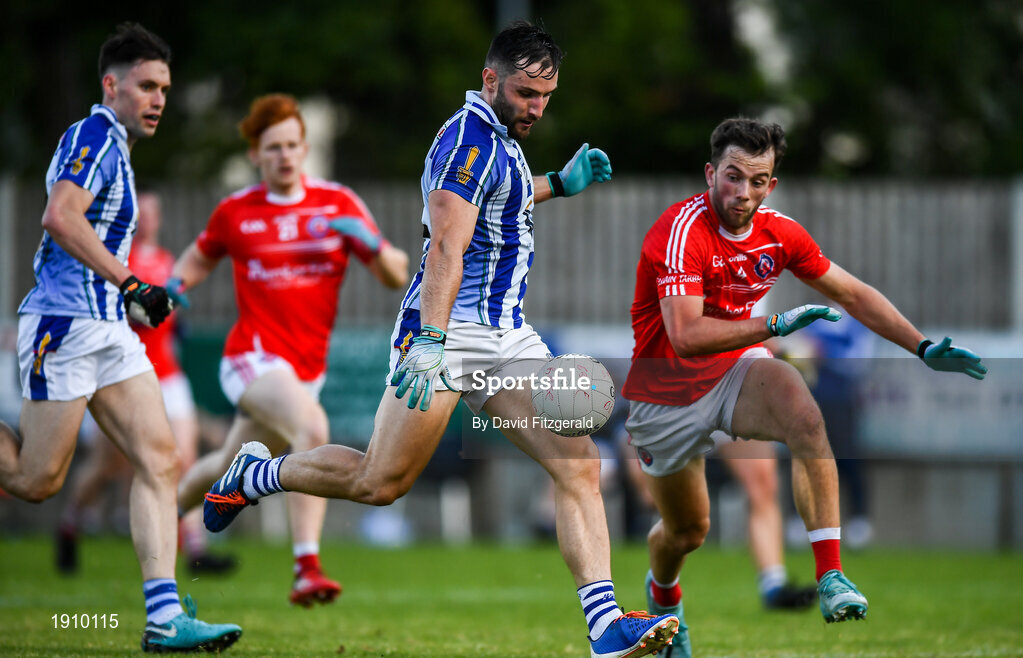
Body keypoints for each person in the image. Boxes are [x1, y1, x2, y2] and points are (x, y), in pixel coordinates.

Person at [202, 21, 680, 658]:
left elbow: (502, 204)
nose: (537, 107)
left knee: (579, 462)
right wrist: (430, 341)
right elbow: (448, 248)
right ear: (490, 79)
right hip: (447, 335)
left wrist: (559, 183)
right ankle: (260, 473)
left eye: (546, 96)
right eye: (525, 93)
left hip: (506, 337)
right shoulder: (464, 140)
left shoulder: (501, 140)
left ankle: (603, 627)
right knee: (380, 482)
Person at [622, 117, 986, 657]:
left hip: (736, 370)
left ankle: (831, 575)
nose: (742, 192)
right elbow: (687, 334)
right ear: (710, 173)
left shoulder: (780, 233)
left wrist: (923, 346)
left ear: (772, 183)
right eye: (732, 176)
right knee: (686, 531)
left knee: (804, 414)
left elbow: (854, 294)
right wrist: (775, 325)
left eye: (757, 180)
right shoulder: (679, 232)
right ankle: (664, 601)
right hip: (665, 389)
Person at [0, 23, 242, 652]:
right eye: (146, 86)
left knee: (161, 460)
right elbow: (59, 217)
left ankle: (163, 620)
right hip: (65, 327)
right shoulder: (94, 136)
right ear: (111, 85)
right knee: (35, 480)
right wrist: (133, 281)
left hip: (108, 329)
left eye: (164, 87)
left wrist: (127, 300)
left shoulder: (120, 149)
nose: (159, 98)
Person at [170, 93, 410, 607]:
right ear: (256, 154)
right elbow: (196, 257)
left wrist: (368, 242)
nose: (285, 155)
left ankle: (163, 513)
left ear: (305, 149)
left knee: (221, 466)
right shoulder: (236, 211)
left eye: (293, 145)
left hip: (307, 369)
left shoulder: (338, 202)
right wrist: (171, 286)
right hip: (250, 359)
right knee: (313, 428)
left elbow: (397, 274)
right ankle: (307, 566)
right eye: (273, 147)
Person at [55, 192, 236, 576]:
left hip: (168, 374)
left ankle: (196, 550)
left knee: (183, 460)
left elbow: (171, 324)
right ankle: (69, 525)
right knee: (107, 466)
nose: (147, 220)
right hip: (125, 374)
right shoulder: (112, 258)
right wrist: (143, 309)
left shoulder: (168, 259)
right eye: (141, 213)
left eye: (153, 212)